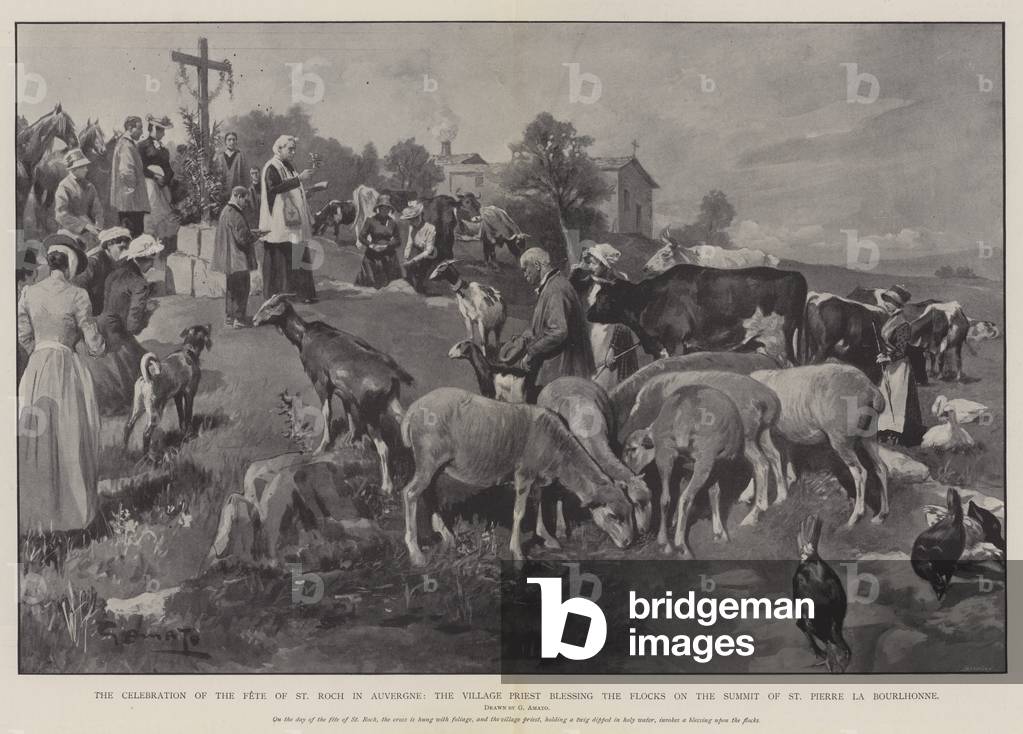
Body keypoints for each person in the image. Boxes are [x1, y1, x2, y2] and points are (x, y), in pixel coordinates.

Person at [18, 234, 105, 534]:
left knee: (37, 434)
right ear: (69, 265)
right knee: (70, 433)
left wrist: (40, 351)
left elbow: (23, 334)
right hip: (66, 369)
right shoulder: (78, 295)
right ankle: (72, 515)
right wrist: (93, 345)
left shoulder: (29, 293)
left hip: (37, 369)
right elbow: (94, 344)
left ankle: (36, 516)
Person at [86, 234, 163, 416]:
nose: (153, 264)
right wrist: (149, 310)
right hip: (118, 335)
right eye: (152, 259)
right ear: (143, 260)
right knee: (146, 373)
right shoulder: (139, 284)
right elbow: (133, 327)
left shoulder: (113, 275)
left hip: (100, 326)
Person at [513, 247, 595, 386]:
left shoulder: (555, 289)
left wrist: (532, 351)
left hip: (565, 371)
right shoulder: (553, 284)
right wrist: (525, 337)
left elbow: (558, 331)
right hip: (562, 368)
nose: (525, 275)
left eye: (525, 269)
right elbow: (543, 324)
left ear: (537, 266)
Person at [569, 242, 639, 389]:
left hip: (608, 338)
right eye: (590, 263)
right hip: (588, 337)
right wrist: (575, 272)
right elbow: (570, 294)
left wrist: (614, 348)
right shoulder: (587, 282)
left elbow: (624, 321)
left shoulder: (618, 286)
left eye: (594, 263)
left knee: (605, 383)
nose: (591, 267)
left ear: (605, 265)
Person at [258, 135, 317, 302]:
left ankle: (301, 293)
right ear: (279, 149)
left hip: (293, 220)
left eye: (294, 149)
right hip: (280, 222)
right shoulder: (271, 166)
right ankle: (280, 294)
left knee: (298, 254)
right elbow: (274, 189)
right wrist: (299, 179)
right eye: (290, 149)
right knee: (282, 257)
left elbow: (294, 191)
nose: (293, 152)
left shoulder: (289, 166)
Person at [876, 285, 925, 447]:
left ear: (897, 304)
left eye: (890, 302)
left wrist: (887, 358)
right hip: (890, 366)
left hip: (900, 367)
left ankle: (898, 433)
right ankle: (885, 431)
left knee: (897, 398)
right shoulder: (890, 320)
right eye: (886, 301)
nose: (887, 304)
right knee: (885, 396)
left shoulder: (903, 324)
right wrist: (883, 355)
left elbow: (902, 350)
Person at [212, 186, 261, 327]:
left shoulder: (225, 211)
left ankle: (229, 317)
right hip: (239, 260)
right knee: (242, 289)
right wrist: (256, 235)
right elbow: (242, 239)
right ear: (238, 196)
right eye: (245, 200)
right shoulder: (236, 214)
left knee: (231, 289)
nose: (246, 203)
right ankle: (239, 319)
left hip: (229, 261)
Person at [139, 114, 179, 243]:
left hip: (162, 184)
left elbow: (169, 169)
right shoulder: (142, 146)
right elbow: (139, 167)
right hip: (148, 182)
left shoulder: (164, 150)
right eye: (162, 130)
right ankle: (149, 238)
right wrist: (154, 176)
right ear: (155, 129)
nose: (163, 134)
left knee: (167, 209)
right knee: (152, 208)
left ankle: (164, 240)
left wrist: (164, 179)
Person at [72, 226, 130, 315]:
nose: (124, 253)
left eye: (126, 249)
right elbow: (78, 289)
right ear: (109, 245)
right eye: (121, 249)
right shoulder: (93, 263)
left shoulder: (119, 263)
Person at [109, 115, 150, 237]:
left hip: (128, 203)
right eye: (139, 128)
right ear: (129, 128)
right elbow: (126, 172)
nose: (142, 131)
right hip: (131, 204)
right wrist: (134, 192)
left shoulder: (125, 143)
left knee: (128, 236)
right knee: (133, 237)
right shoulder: (126, 145)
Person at [54, 148, 103, 249]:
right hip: (69, 230)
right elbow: (61, 215)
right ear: (74, 169)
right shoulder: (64, 186)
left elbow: (97, 209)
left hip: (91, 230)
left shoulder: (89, 186)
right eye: (83, 167)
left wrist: (98, 225)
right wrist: (84, 226)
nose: (86, 169)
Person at [355, 195, 403, 289]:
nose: (385, 210)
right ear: (378, 208)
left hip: (388, 253)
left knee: (393, 283)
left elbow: (398, 240)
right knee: (370, 281)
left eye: (387, 208)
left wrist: (387, 245)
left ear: (390, 209)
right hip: (373, 253)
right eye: (382, 208)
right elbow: (361, 236)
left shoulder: (393, 222)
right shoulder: (370, 221)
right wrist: (371, 245)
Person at [400, 201, 438, 292]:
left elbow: (428, 251)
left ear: (421, 215)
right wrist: (406, 257)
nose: (413, 221)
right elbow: (409, 242)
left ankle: (421, 286)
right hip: (415, 252)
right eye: (411, 219)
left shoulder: (430, 228)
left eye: (415, 218)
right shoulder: (411, 227)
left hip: (428, 256)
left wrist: (413, 261)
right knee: (409, 276)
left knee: (421, 279)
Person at [213, 131, 250, 204]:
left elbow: (245, 176)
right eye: (229, 140)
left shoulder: (240, 156)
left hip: (237, 192)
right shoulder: (220, 157)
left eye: (234, 140)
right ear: (225, 142)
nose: (232, 142)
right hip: (223, 193)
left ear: (236, 141)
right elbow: (216, 175)